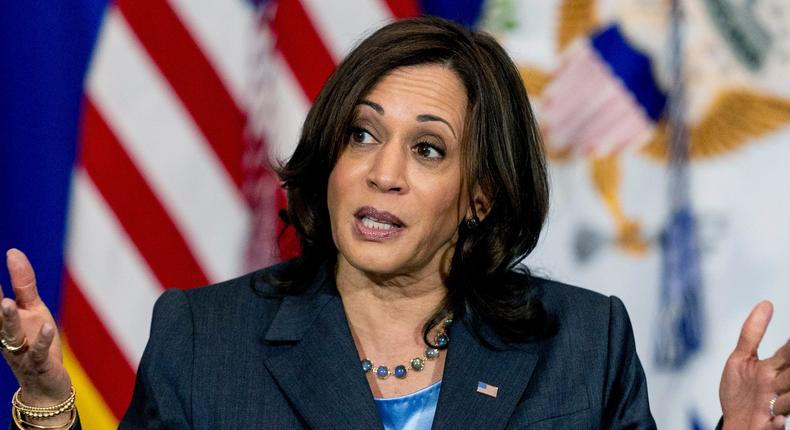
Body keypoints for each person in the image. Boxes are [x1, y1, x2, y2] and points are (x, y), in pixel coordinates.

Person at [1, 16, 788, 430]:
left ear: (480, 196)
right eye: (363, 134)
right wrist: (45, 397)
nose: (384, 171)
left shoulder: (581, 343)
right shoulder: (206, 337)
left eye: (429, 149)